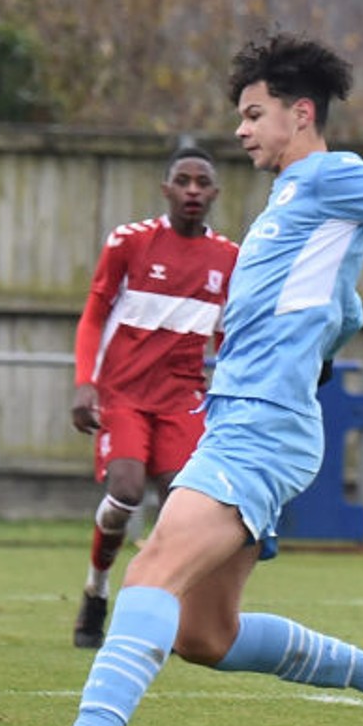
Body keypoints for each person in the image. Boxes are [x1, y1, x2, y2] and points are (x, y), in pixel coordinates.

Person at [0, 32, 363, 726]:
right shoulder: (295, 199)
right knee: (203, 634)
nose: (242, 130)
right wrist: (323, 342)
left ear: (302, 113)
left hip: (261, 423)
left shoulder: (332, 176)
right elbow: (344, 303)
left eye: (255, 114)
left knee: (151, 566)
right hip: (249, 420)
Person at [68, 145, 239, 648]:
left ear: (214, 193)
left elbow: (227, 339)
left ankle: (162, 614)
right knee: (124, 490)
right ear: (166, 188)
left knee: (185, 505)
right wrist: (85, 382)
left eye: (201, 182)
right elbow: (95, 313)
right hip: (123, 394)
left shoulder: (229, 259)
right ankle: (96, 589)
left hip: (182, 398)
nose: (192, 190)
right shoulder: (129, 242)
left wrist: (230, 397)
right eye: (182, 181)